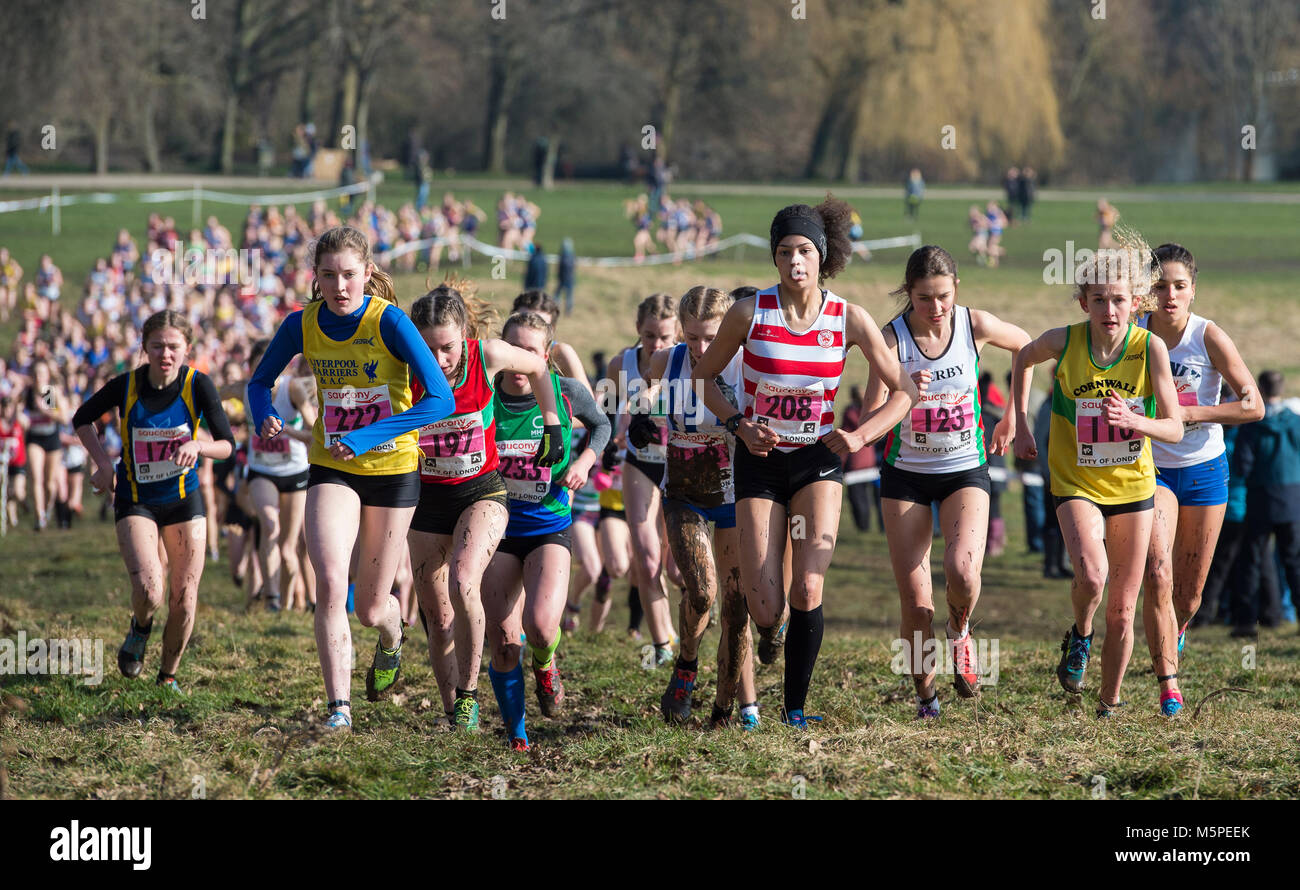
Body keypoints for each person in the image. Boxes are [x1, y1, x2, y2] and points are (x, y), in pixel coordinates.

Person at [692, 196, 920, 728]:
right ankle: (770, 630)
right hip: (759, 461)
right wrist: (736, 425)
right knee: (766, 605)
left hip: (818, 460)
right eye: (785, 252)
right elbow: (704, 376)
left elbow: (904, 390)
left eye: (804, 251)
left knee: (809, 587)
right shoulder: (750, 312)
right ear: (774, 259)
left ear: (822, 256)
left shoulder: (849, 318)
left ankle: (795, 710)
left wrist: (861, 434)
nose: (795, 261)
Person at [248, 225, 458, 730]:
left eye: (348, 275)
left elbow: (440, 399)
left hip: (391, 470)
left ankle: (392, 636)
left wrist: (368, 436)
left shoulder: (392, 324)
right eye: (328, 275)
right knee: (328, 580)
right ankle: (339, 708)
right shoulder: (300, 324)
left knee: (368, 607)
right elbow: (259, 382)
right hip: (332, 467)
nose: (339, 286)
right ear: (314, 277)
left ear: (367, 274)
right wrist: (262, 415)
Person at [1013, 241, 1183, 718]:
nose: (1110, 309)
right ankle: (1081, 636)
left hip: (1133, 487)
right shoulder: (1062, 342)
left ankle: (1108, 704)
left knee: (1124, 610)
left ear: (1136, 302)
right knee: (1092, 574)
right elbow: (1022, 359)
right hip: (1076, 482)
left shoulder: (1150, 348)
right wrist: (1021, 423)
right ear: (1084, 301)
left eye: (1120, 299)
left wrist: (1137, 423)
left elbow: (1173, 425)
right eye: (1100, 299)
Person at [870, 245, 1031, 718]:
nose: (936, 309)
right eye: (924, 299)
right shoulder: (892, 339)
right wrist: (903, 396)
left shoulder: (973, 324)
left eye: (943, 297)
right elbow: (870, 417)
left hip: (964, 468)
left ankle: (960, 631)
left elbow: (1029, 346)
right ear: (909, 294)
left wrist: (1014, 419)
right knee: (916, 605)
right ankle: (926, 697)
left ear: (956, 289)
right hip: (906, 476)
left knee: (963, 572)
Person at [406, 282, 564, 731]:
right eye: (427, 348)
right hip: (427, 500)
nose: (438, 360)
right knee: (437, 620)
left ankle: (469, 693)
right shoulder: (404, 365)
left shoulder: (486, 355)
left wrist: (551, 419)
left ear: (465, 335)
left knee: (463, 579)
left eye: (448, 347)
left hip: (481, 492)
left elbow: (538, 365)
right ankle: (453, 711)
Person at [73, 310, 236, 694]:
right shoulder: (126, 385)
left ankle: (168, 677)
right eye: (157, 346)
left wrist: (199, 445)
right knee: (150, 589)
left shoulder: (199, 385)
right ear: (144, 347)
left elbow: (227, 445)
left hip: (184, 500)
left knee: (184, 596)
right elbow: (82, 419)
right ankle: (141, 626)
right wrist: (102, 465)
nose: (165, 354)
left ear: (187, 349)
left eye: (173, 347)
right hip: (137, 499)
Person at [1136, 243, 1263, 715]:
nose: (1169, 295)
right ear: (1146, 292)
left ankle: (1177, 630)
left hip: (1206, 470)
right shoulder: (1135, 334)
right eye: (1159, 286)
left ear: (1193, 291)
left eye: (1179, 287)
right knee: (1158, 572)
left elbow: (1254, 405)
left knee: (1189, 596)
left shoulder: (1207, 336)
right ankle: (1168, 684)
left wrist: (1195, 413)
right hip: (1151, 469)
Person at [631, 286, 759, 729]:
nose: (701, 348)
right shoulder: (670, 360)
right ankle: (685, 666)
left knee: (737, 607)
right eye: (691, 337)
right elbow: (647, 392)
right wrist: (642, 414)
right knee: (702, 591)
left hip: (735, 497)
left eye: (710, 337)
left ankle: (724, 707)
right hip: (684, 494)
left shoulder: (748, 364)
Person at [481, 310, 608, 750]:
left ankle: (546, 663)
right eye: (513, 350)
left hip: (549, 525)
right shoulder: (483, 396)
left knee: (539, 627)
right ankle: (517, 733)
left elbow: (602, 425)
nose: (520, 362)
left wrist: (584, 462)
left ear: (546, 355)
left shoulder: (566, 392)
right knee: (502, 641)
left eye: (531, 352)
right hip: (496, 528)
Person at [604, 295, 682, 666]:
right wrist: (607, 444)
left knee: (677, 567)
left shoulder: (685, 360)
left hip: (680, 465)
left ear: (677, 334)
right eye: (650, 335)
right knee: (647, 558)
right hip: (639, 464)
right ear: (638, 329)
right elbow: (604, 413)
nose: (656, 345)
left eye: (665, 337)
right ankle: (662, 643)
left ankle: (700, 609)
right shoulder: (622, 363)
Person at [235, 339, 315, 612]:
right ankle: (271, 600)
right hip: (262, 471)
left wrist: (286, 431)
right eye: (258, 369)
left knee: (288, 548)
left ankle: (288, 599)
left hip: (294, 472)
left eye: (269, 368)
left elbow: (314, 431)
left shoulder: (292, 388)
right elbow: (210, 395)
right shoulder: (245, 390)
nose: (265, 375)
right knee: (269, 526)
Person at [1231, 370, 1300, 637]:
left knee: (1252, 559)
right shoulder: (1295, 422)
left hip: (1261, 498)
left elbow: (1242, 465)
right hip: (1293, 500)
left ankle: (1247, 621)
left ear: (1260, 387)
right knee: (1294, 561)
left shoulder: (1253, 425)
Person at [23, 359, 69, 531]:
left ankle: (48, 508)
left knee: (50, 483)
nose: (38, 377)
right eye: (35, 373)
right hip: (34, 438)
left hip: (51, 438)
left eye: (41, 373)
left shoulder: (49, 392)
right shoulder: (27, 393)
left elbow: (63, 418)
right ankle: (39, 517)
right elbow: (18, 412)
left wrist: (45, 410)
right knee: (36, 477)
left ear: (47, 375)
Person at [840, 386, 879, 533]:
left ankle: (863, 527)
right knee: (870, 497)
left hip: (855, 462)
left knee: (857, 498)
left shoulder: (849, 413)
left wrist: (841, 462)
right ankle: (872, 526)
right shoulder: (870, 413)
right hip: (870, 460)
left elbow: (845, 438)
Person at [555, 238, 576, 315]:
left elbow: (561, 268)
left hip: (563, 279)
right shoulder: (572, 256)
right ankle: (568, 310)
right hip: (569, 279)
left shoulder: (563, 256)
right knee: (568, 296)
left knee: (558, 295)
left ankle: (556, 309)